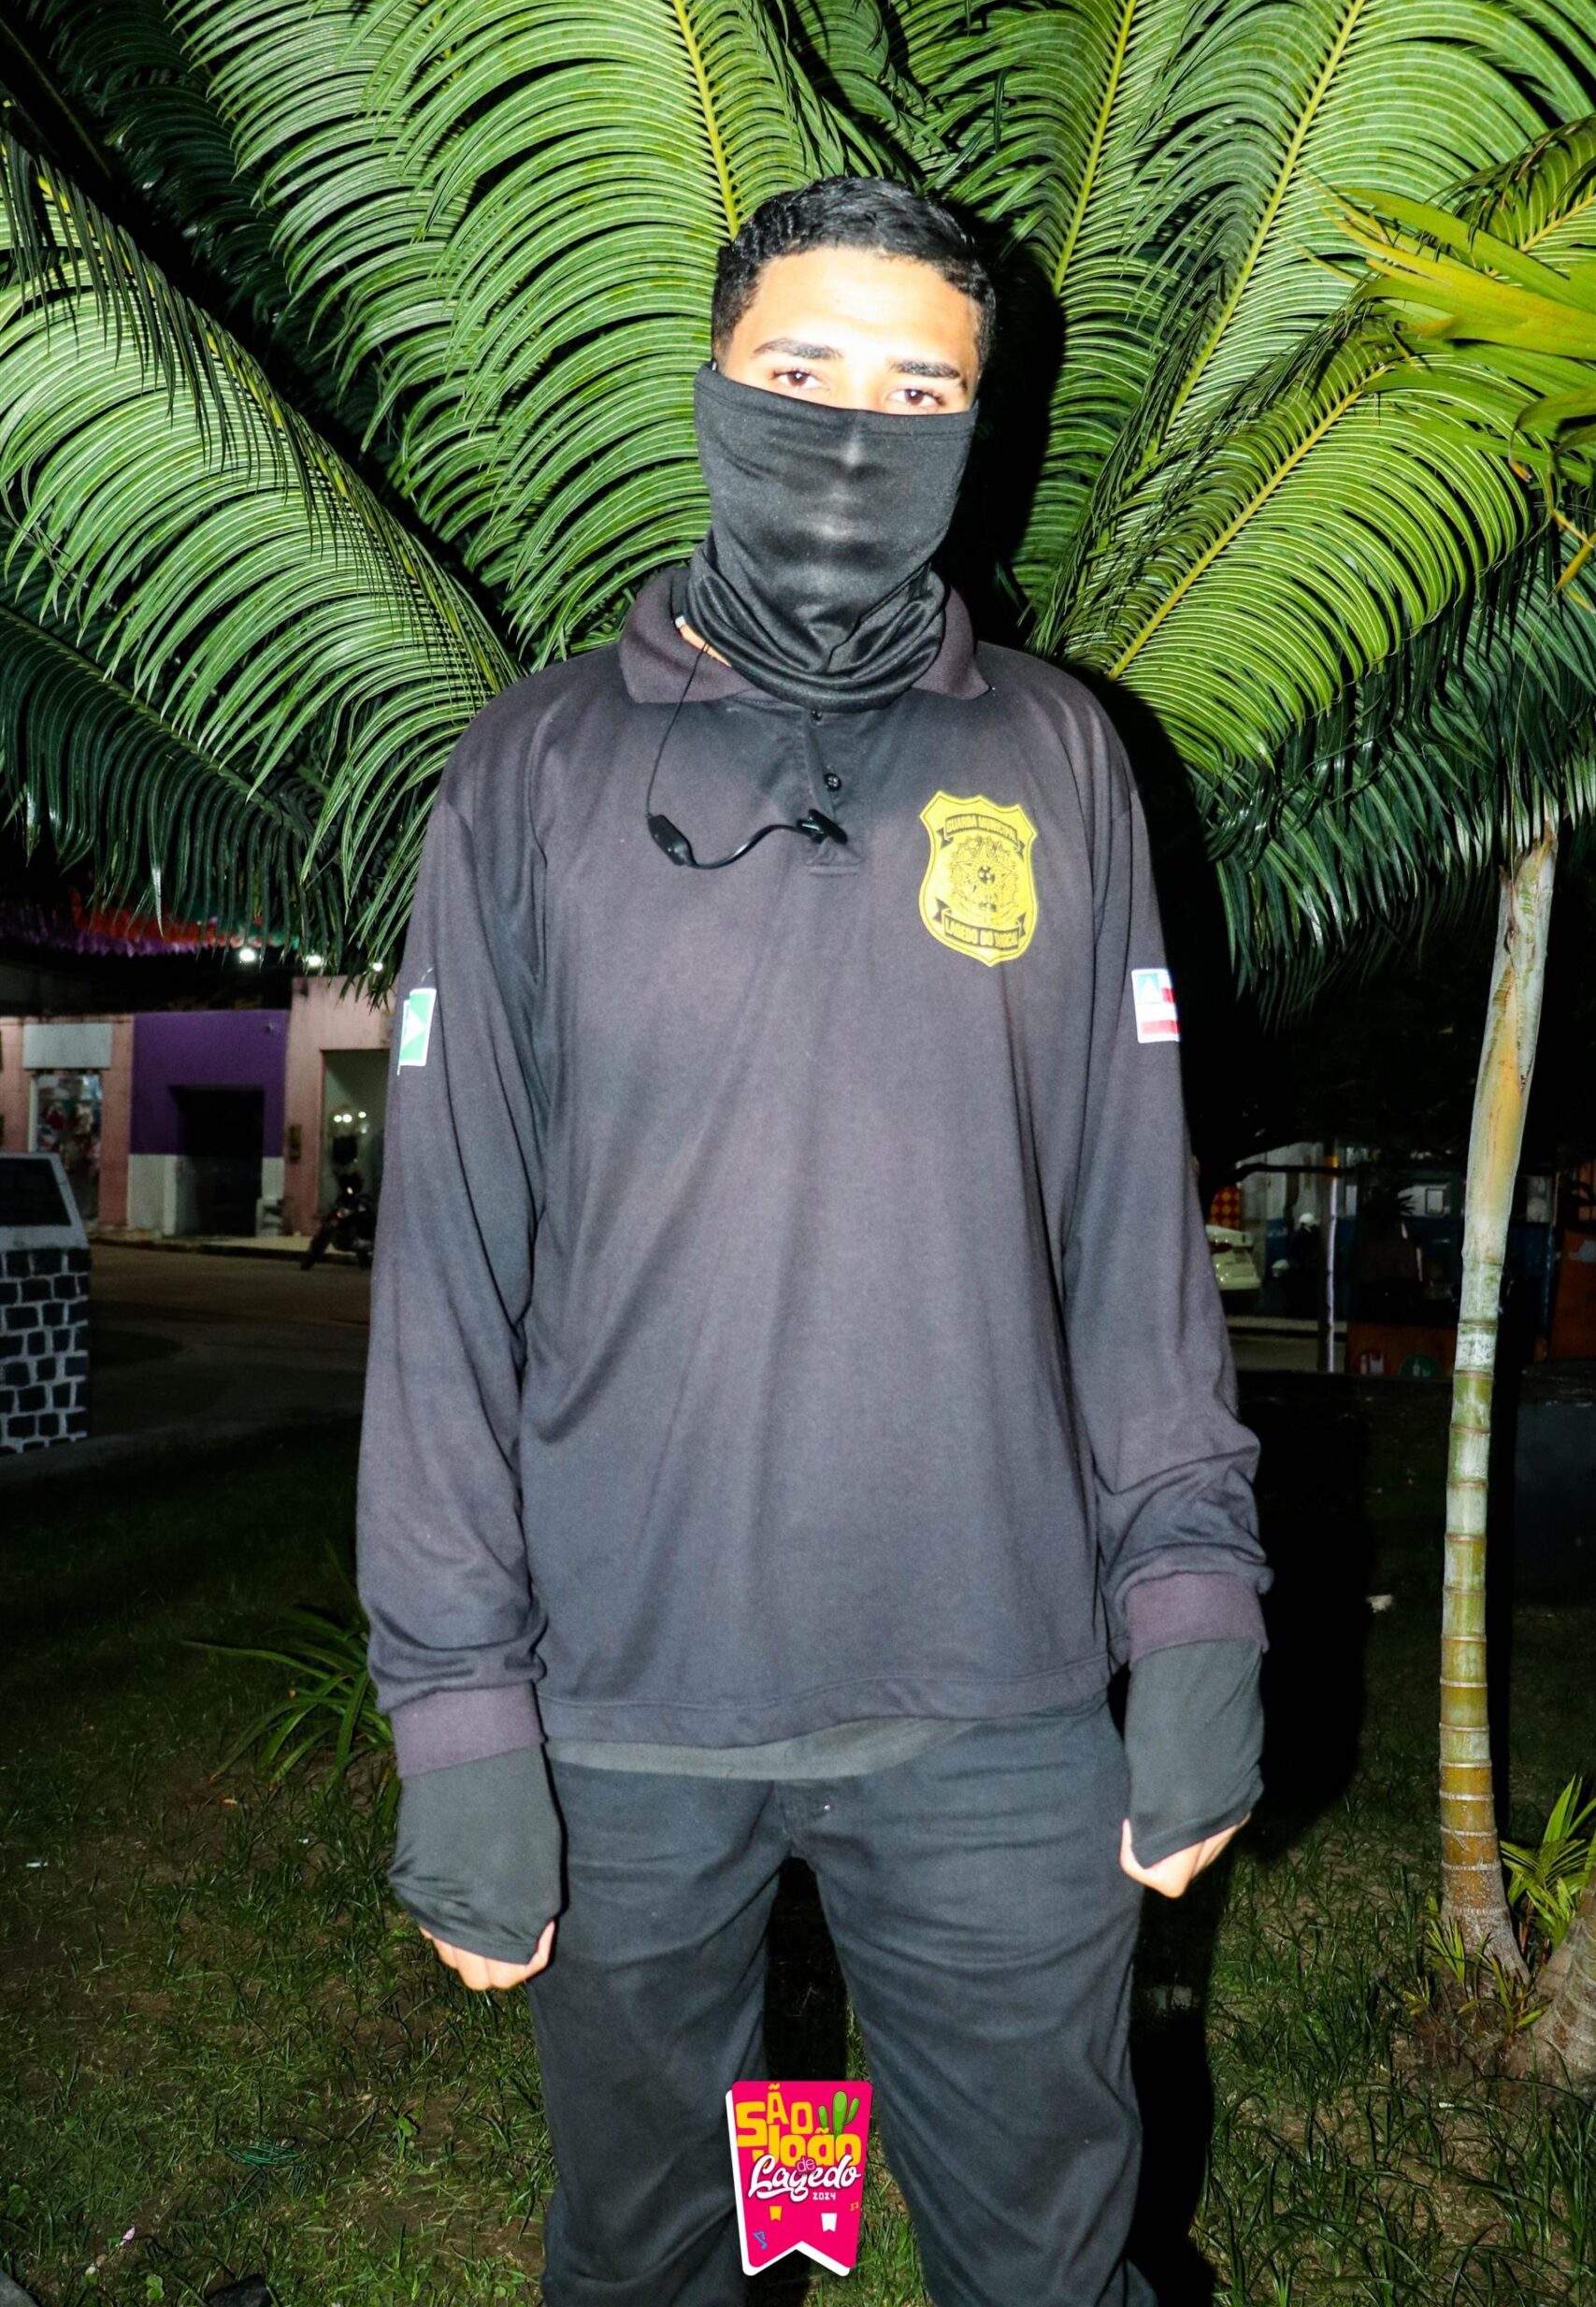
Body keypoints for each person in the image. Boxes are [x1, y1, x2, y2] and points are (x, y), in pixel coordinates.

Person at [355, 176, 1272, 2307]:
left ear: (977, 429)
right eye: (801, 371)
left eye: (918, 392)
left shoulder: (1057, 755)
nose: (858, 431)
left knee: (1049, 2259)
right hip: (626, 1709)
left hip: (997, 1706)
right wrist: (457, 1711)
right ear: (711, 384)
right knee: (659, 2254)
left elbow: (1130, 1230)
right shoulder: (532, 767)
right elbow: (446, 1279)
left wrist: (1195, 1601)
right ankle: (778, 2223)